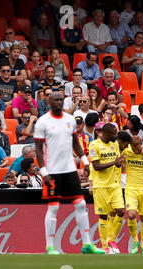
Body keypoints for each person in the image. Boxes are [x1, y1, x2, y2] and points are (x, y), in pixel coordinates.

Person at [34, 91, 103, 255]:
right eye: (55, 100)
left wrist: (85, 161)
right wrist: (43, 171)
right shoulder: (43, 122)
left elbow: (75, 143)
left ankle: (87, 244)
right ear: (49, 102)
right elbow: (38, 150)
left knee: (80, 204)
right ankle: (50, 246)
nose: (59, 102)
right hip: (52, 170)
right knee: (54, 207)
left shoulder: (69, 120)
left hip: (70, 169)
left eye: (60, 100)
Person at [88, 123, 125, 254]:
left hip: (114, 184)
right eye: (114, 134)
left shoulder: (114, 144)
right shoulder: (94, 145)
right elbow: (96, 166)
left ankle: (111, 239)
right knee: (103, 216)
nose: (116, 136)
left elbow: (116, 165)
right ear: (106, 133)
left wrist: (119, 163)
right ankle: (105, 247)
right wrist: (114, 162)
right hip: (100, 185)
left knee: (120, 211)